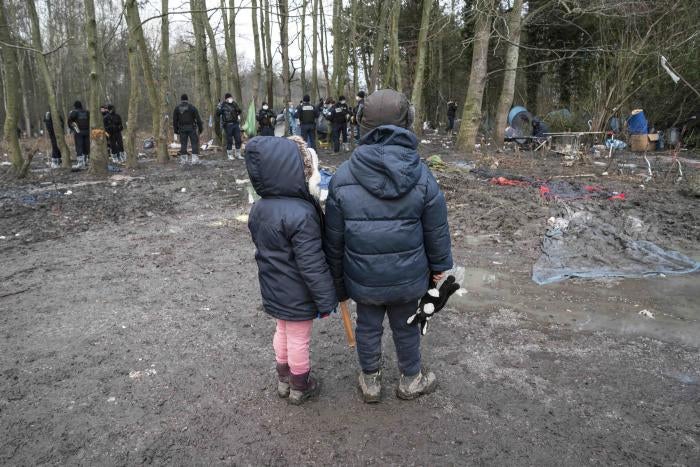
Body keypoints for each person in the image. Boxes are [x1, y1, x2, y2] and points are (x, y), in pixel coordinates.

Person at [324, 89, 453, 403]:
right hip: (409, 278)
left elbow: (334, 241)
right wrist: (439, 269)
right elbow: (436, 230)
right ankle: (411, 378)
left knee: (368, 327)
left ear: (361, 124)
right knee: (408, 326)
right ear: (406, 122)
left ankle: (370, 381)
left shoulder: (342, 178)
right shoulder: (423, 176)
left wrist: (338, 283)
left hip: (363, 278)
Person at [246, 135, 338, 405]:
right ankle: (300, 384)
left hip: (273, 285)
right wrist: (326, 299)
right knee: (299, 337)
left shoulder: (259, 208)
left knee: (282, 330)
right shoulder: (302, 212)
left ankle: (283, 378)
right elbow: (311, 263)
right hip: (298, 291)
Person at [173, 94, 203, 164]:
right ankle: (195, 160)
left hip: (182, 129)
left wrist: (175, 130)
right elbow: (198, 119)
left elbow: (175, 120)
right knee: (194, 143)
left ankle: (184, 160)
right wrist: (200, 129)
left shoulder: (177, 108)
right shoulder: (192, 107)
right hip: (191, 128)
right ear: (187, 99)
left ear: (181, 100)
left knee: (183, 144)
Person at [216, 93, 243, 160]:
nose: (231, 99)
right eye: (229, 98)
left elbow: (239, 111)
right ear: (226, 99)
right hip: (228, 125)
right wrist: (219, 107)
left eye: (231, 97)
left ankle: (238, 154)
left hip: (235, 124)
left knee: (238, 139)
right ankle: (230, 155)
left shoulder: (234, 104)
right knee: (229, 140)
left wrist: (237, 109)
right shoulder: (223, 105)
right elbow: (218, 114)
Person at [67, 100, 91, 169]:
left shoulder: (74, 112)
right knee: (86, 146)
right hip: (87, 131)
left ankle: (80, 163)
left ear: (75, 106)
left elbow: (69, 121)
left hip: (78, 132)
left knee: (79, 146)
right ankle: (86, 161)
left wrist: (72, 128)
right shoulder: (87, 112)